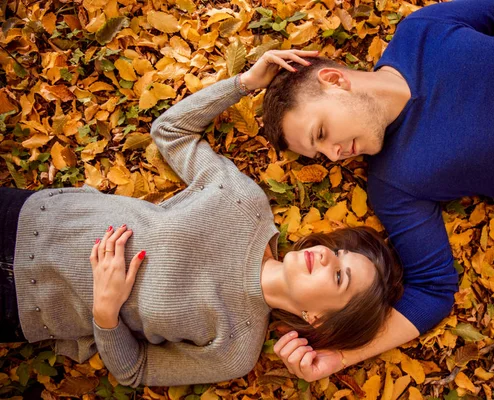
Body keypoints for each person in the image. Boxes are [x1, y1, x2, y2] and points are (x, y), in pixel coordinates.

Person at [0, 51, 403, 387]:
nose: (328, 257)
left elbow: (134, 370)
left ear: (316, 318)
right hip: (26, 219)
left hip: (19, 308)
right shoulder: (244, 203)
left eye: (339, 277)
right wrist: (244, 82)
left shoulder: (235, 351)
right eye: (339, 254)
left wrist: (105, 314)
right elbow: (171, 131)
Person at [260, 0, 494, 382]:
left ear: (334, 81)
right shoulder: (394, 185)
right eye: (320, 154)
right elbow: (433, 290)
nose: (334, 155)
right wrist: (341, 358)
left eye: (321, 134)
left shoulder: (420, 33)